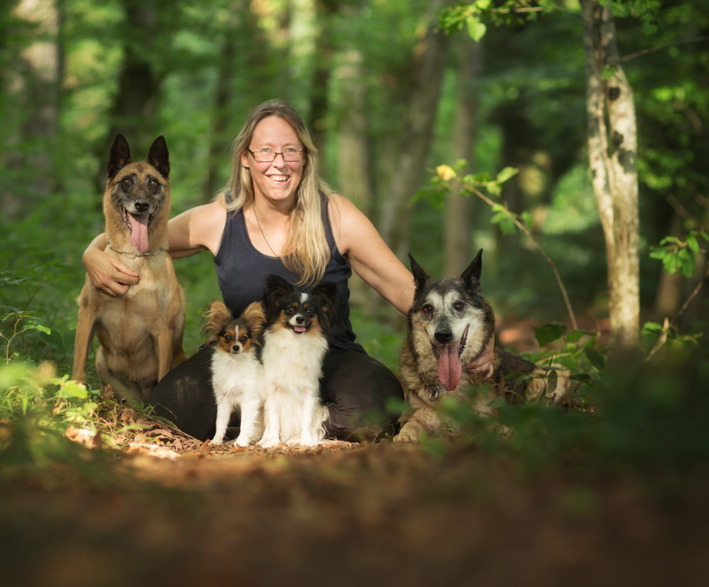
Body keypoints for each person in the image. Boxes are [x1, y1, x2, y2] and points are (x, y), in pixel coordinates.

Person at [82, 99, 491, 441]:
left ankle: (290, 424)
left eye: (290, 150)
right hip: (246, 359)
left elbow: (412, 296)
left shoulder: (338, 215)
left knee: (375, 404)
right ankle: (276, 423)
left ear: (305, 158)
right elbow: (134, 236)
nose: (278, 163)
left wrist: (475, 341)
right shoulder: (217, 218)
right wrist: (92, 252)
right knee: (169, 409)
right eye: (265, 151)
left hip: (327, 357)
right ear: (246, 158)